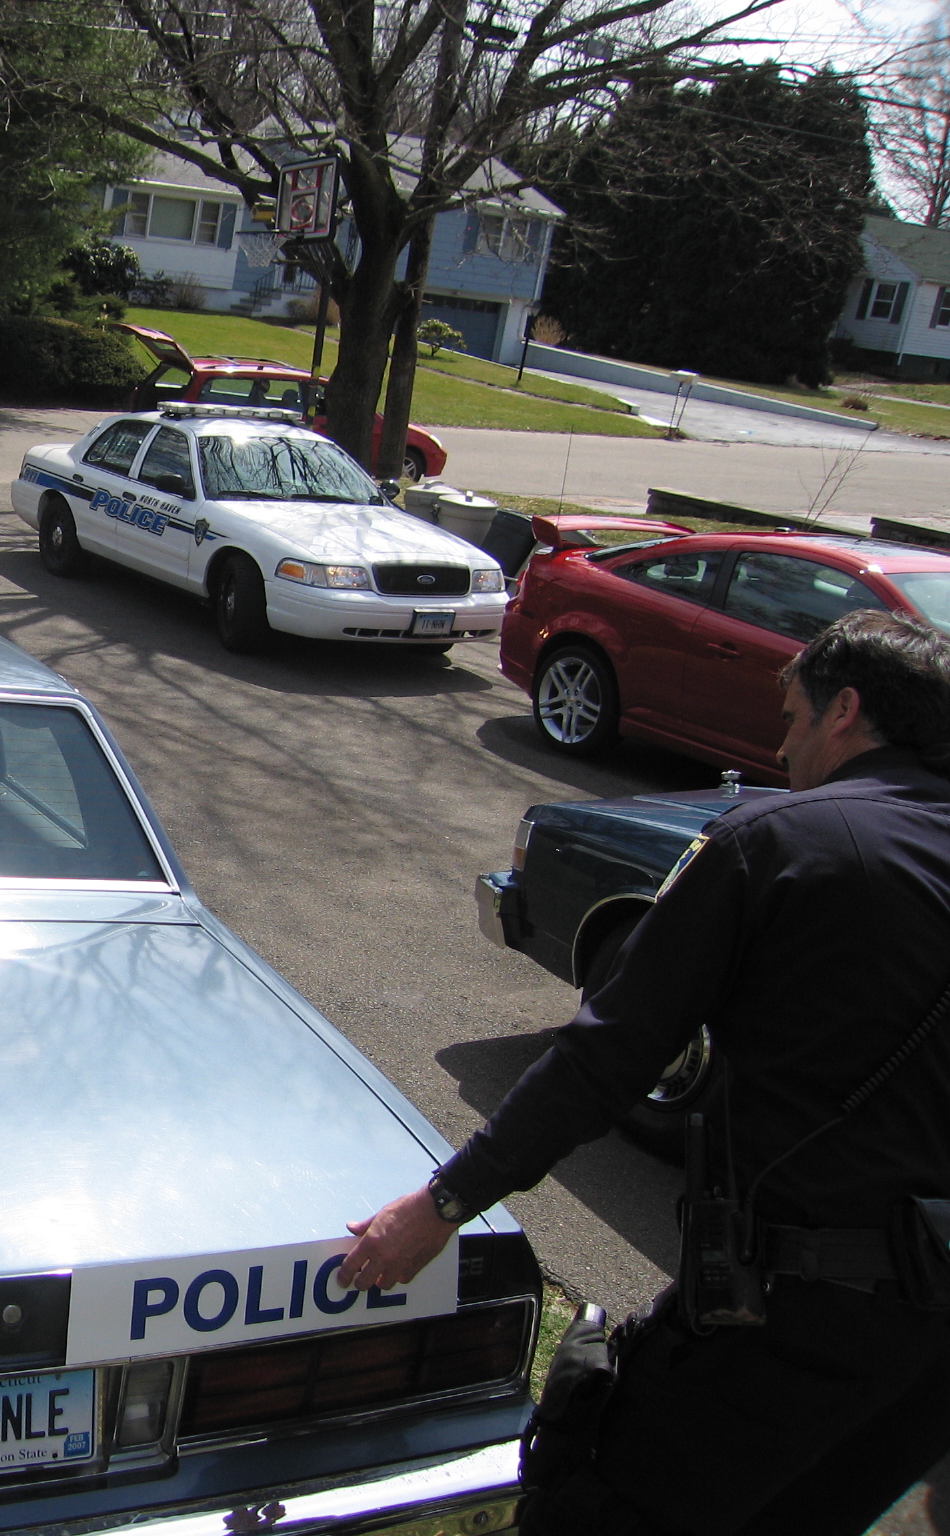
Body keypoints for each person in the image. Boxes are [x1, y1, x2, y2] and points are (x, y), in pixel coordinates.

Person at [343, 608, 950, 1535]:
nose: (782, 749)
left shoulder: (778, 843)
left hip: (792, 1326)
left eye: (792, 719)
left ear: (845, 711)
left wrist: (442, 1205)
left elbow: (607, 1057)